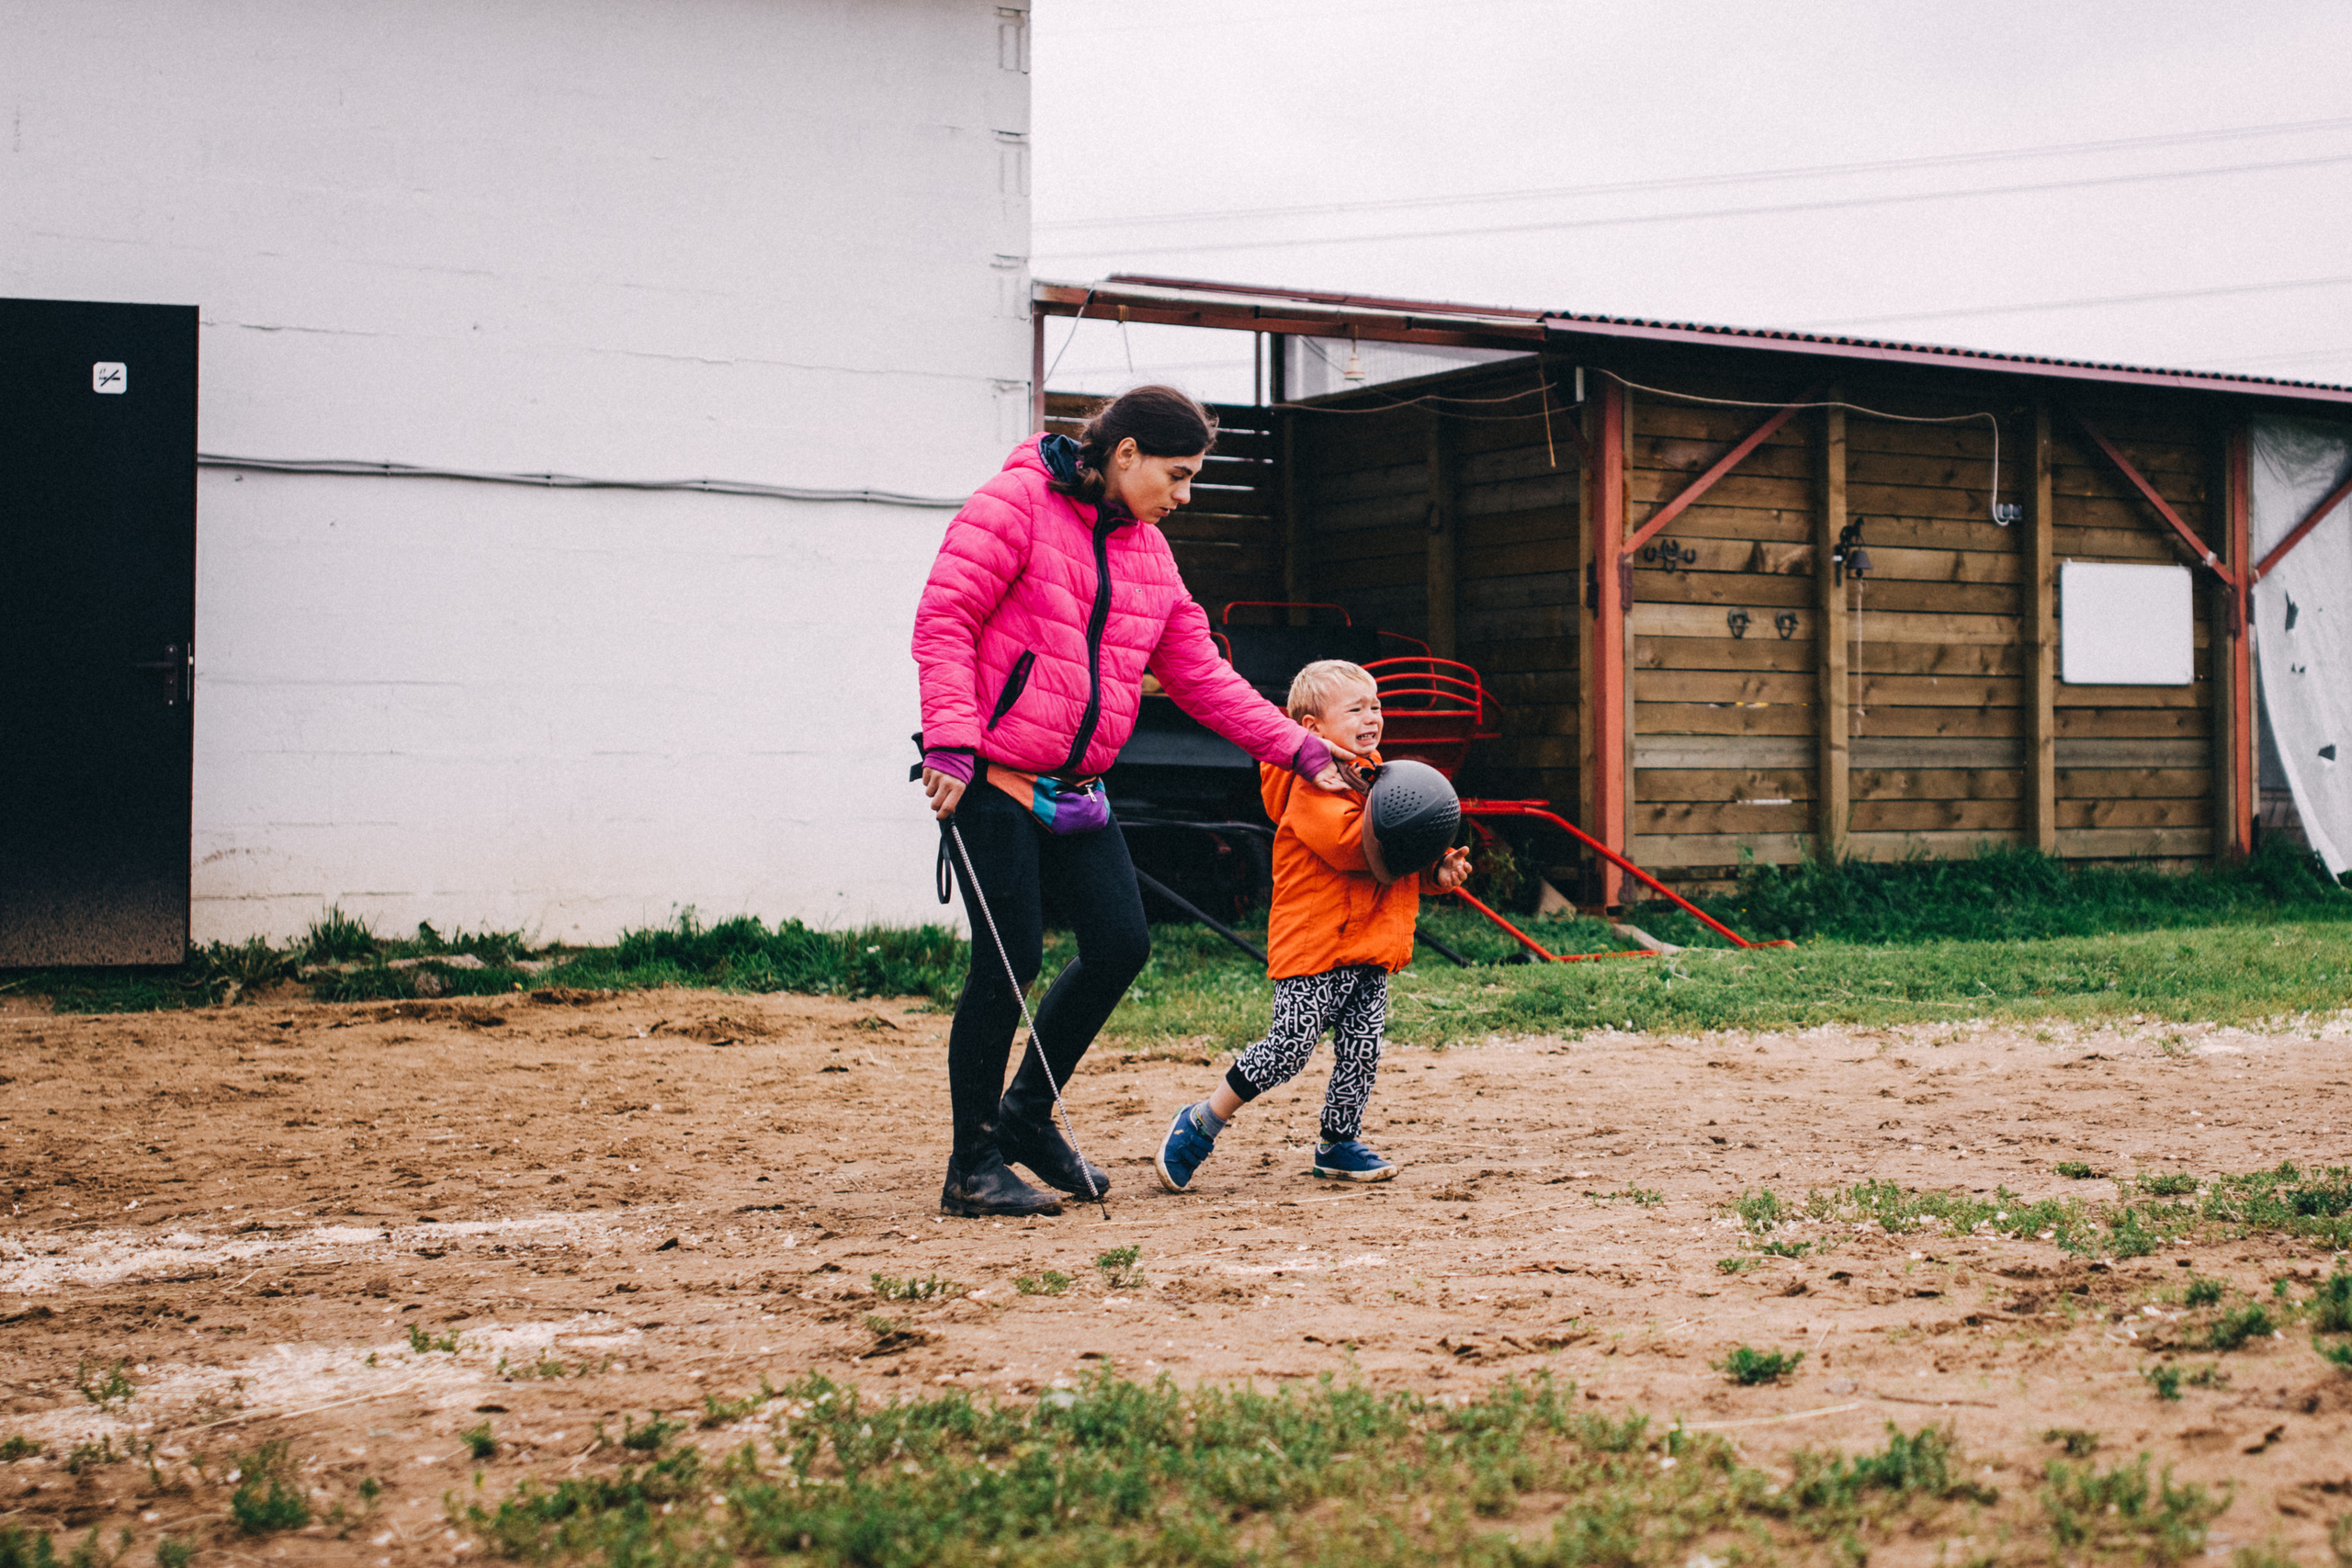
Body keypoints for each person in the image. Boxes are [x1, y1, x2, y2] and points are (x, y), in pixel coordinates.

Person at [911, 386, 1359, 1220]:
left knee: (1121, 943)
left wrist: (1300, 748)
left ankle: (1024, 1115)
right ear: (1125, 455)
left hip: (1081, 790)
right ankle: (971, 1163)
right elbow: (945, 620)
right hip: (991, 777)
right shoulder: (1013, 504)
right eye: (1178, 474)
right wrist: (950, 738)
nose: (1185, 495)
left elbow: (1201, 676)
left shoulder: (1149, 552)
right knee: (1006, 958)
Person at [1153, 659, 1470, 1191]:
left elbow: (1391, 865)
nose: (1371, 717)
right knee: (1288, 1048)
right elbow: (1353, 848)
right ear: (1311, 728)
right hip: (1316, 944)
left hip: (1368, 942)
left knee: (1362, 1048)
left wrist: (1437, 869)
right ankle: (1204, 1119)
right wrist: (1416, 841)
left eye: (1376, 706)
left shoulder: (1375, 775)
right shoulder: (1309, 781)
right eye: (1355, 708)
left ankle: (1338, 1143)